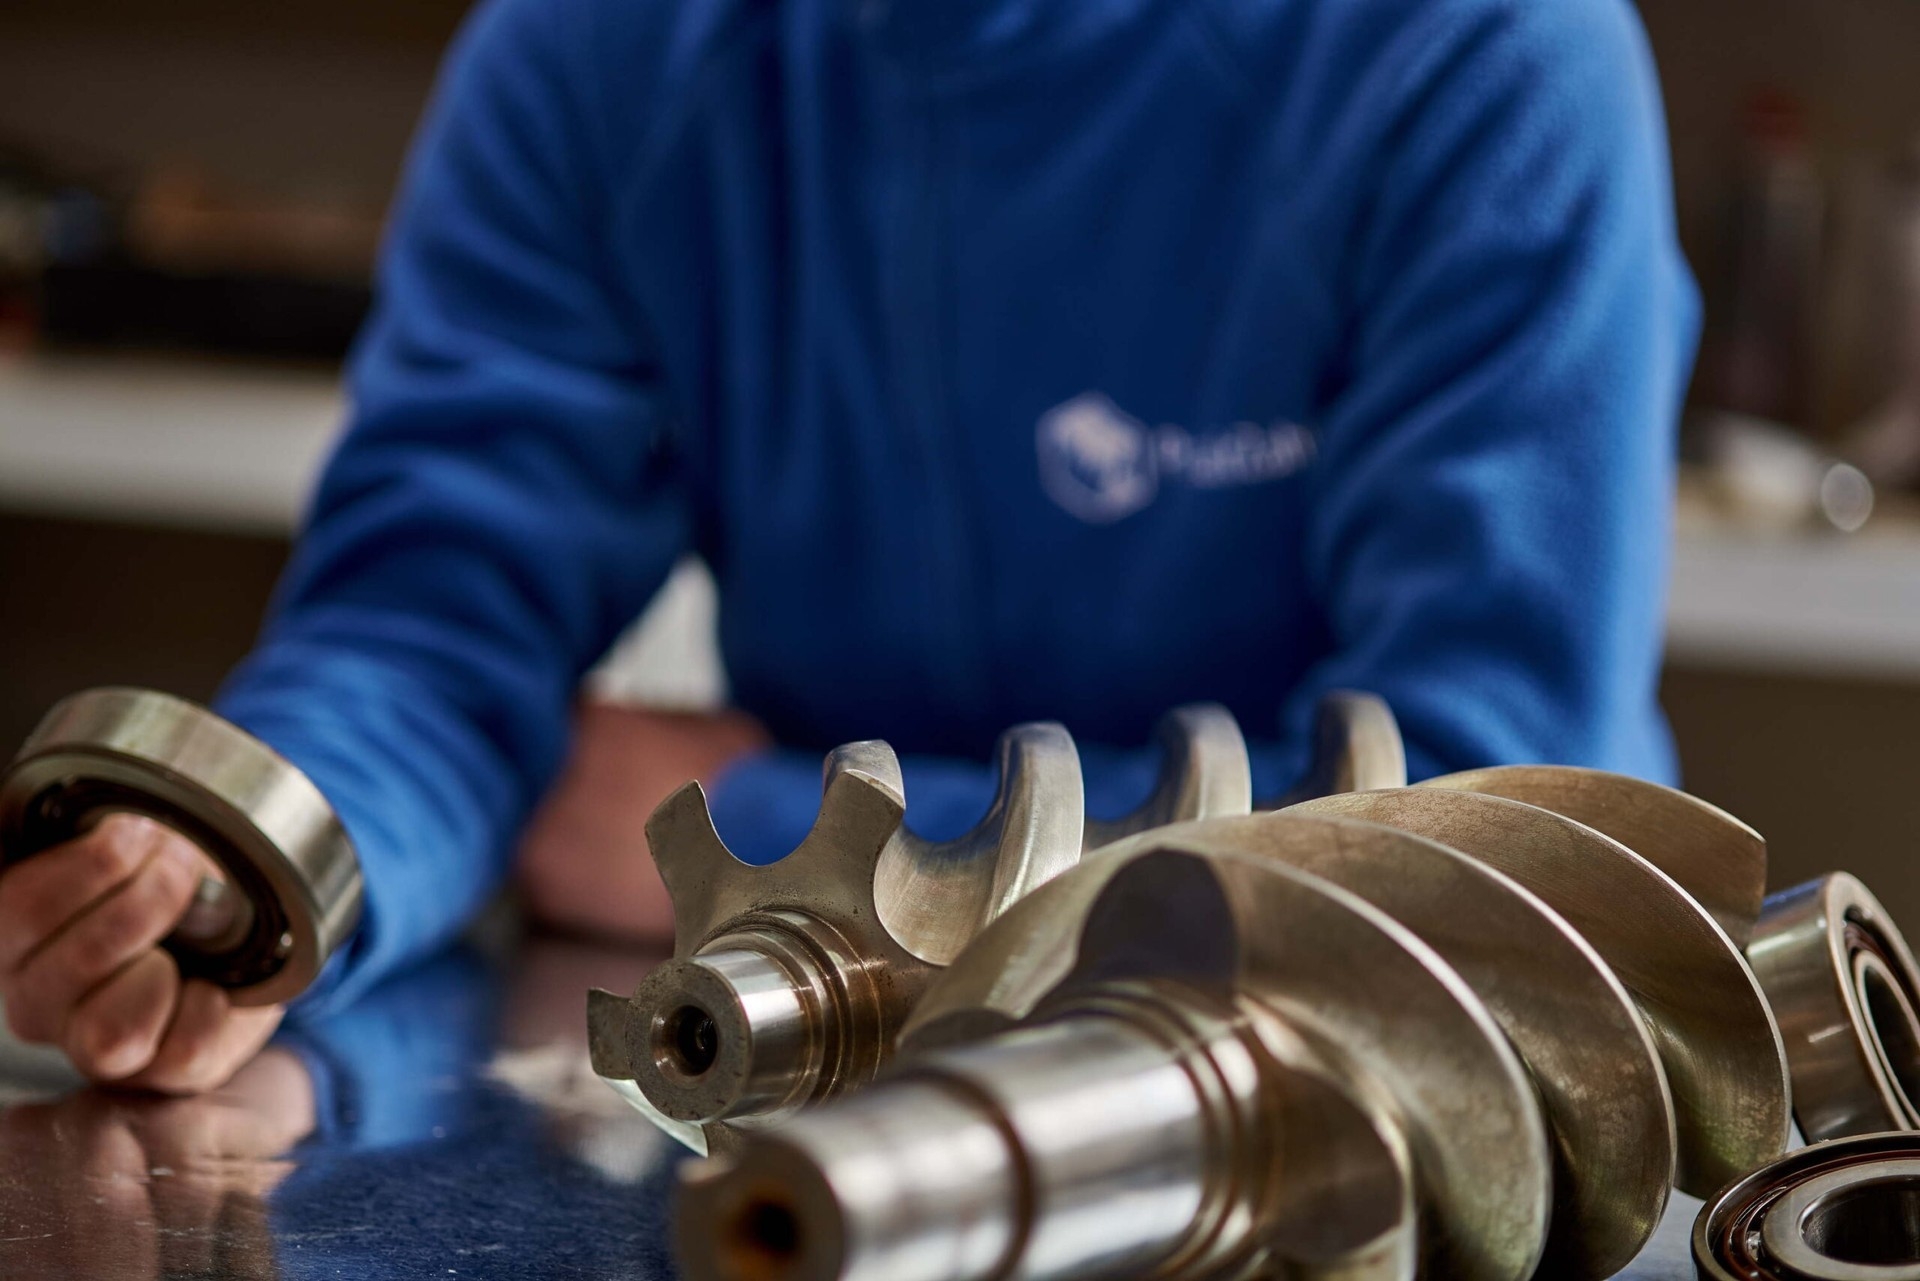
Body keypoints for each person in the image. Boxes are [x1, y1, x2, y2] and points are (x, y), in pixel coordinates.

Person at [0, 0, 1697, 1091]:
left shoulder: (1477, 54)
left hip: (1350, 1095)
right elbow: (429, 631)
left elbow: (1504, 816)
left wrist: (764, 831)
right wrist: (253, 853)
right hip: (824, 1080)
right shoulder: (596, 55)